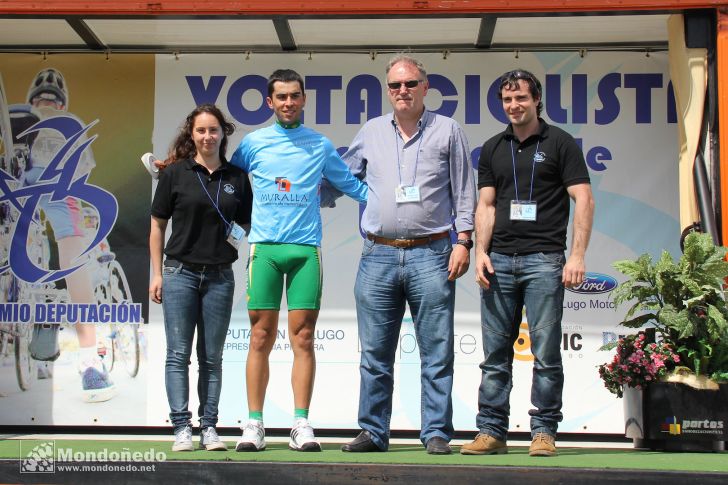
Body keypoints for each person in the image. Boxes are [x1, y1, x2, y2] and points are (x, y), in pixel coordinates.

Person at [339, 54, 476, 455]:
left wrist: (464, 241)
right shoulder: (371, 130)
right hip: (377, 256)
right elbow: (344, 175)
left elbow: (464, 188)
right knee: (375, 353)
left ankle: (435, 432)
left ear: (425, 87)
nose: (403, 91)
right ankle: (372, 432)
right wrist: (302, 193)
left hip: (432, 254)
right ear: (388, 90)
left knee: (436, 350)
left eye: (410, 84)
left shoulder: (448, 130)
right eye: (396, 85)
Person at [230, 69, 368, 453]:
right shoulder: (252, 144)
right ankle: (254, 424)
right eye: (281, 97)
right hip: (265, 250)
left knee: (304, 338)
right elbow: (226, 182)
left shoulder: (320, 146)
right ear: (270, 102)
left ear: (304, 99)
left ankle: (301, 423)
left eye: (294, 96)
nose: (288, 102)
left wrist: (398, 202)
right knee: (260, 336)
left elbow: (353, 186)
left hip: (306, 250)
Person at [460, 69, 594, 457]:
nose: (514, 106)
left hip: (544, 261)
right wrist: (481, 251)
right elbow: (485, 204)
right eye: (507, 100)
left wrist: (578, 255)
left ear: (537, 100)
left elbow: (583, 199)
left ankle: (544, 432)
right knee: (494, 357)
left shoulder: (561, 142)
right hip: (498, 261)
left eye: (521, 98)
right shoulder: (492, 147)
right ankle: (491, 432)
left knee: (547, 353)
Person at [149, 103, 253, 452]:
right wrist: (155, 274)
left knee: (212, 357)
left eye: (213, 130)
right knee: (178, 354)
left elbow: (246, 222)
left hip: (220, 277)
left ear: (223, 133)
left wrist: (233, 239)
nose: (207, 136)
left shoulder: (236, 177)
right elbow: (157, 226)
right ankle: (182, 427)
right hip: (179, 273)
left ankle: (209, 427)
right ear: (191, 134)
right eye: (201, 130)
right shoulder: (175, 173)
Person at [9, 68, 116, 401]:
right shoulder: (29, 117)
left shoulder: (66, 122)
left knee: (72, 251)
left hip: (48, 188)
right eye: (42, 100)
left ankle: (88, 360)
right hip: (30, 187)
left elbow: (83, 173)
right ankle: (85, 359)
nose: (46, 104)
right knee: (63, 251)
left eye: (49, 101)